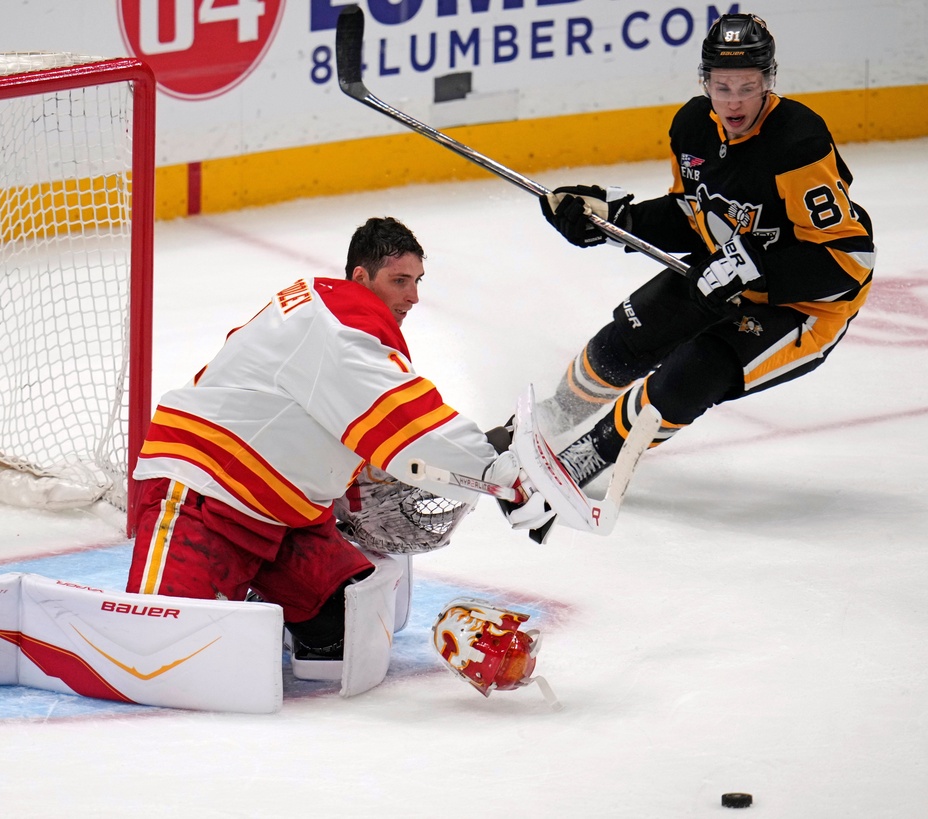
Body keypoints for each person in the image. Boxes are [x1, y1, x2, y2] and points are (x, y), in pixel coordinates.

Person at [126, 216, 542, 663]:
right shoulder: (342, 320)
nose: (413, 296)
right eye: (399, 280)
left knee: (344, 633)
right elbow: (397, 413)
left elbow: (344, 421)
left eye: (417, 281)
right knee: (160, 649)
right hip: (204, 496)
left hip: (285, 521)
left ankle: (257, 607)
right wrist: (494, 470)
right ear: (360, 277)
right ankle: (231, 603)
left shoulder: (336, 314)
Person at [536, 13, 875, 491]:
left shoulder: (797, 141)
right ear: (705, 81)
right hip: (723, 271)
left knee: (689, 376)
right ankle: (548, 421)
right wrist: (618, 220)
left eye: (747, 87)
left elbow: (849, 261)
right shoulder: (694, 126)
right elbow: (693, 216)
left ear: (768, 82)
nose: (734, 102)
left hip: (804, 305)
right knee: (626, 338)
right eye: (722, 86)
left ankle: (585, 458)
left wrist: (753, 266)